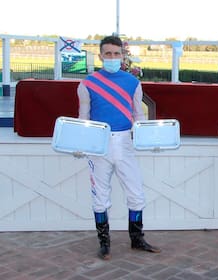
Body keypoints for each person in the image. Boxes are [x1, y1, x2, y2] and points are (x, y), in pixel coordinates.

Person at [76, 35, 160, 260]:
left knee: (136, 193)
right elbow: (84, 116)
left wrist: (149, 138)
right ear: (101, 55)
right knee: (100, 197)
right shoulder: (87, 83)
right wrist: (81, 143)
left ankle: (137, 239)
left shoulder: (133, 82)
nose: (112, 57)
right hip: (98, 144)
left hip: (124, 142)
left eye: (116, 53)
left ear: (122, 56)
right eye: (108, 54)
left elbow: (138, 115)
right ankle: (104, 243)